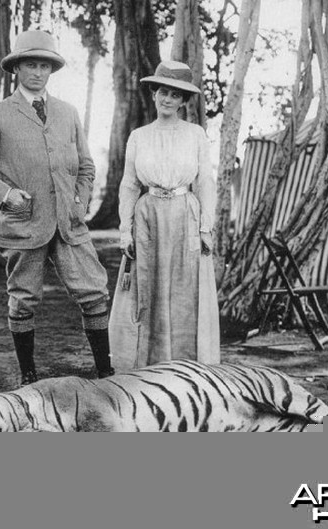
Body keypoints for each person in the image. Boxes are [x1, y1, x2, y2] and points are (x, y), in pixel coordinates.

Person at [0, 30, 114, 385]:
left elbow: (86, 167)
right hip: (24, 223)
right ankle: (28, 377)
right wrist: (4, 195)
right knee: (24, 299)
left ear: (52, 70)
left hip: (69, 224)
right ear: (16, 69)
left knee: (94, 292)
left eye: (44, 65)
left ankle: (105, 373)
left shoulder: (67, 113)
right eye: (30, 64)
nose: (38, 72)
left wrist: (80, 200)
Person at [109, 60, 220, 371]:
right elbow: (129, 184)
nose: (168, 100)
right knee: (147, 287)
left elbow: (205, 182)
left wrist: (205, 226)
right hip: (148, 216)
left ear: (184, 101)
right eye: (162, 92)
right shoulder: (139, 136)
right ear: (154, 94)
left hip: (185, 214)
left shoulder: (195, 134)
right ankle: (146, 364)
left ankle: (186, 366)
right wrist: (125, 230)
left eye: (175, 95)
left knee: (185, 290)